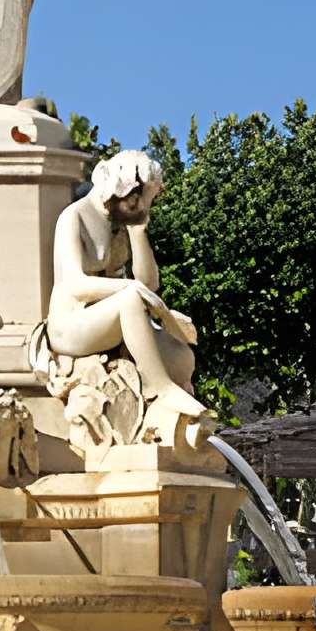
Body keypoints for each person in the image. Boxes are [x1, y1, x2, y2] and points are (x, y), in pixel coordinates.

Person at [42, 150, 210, 450]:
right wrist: (134, 292)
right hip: (71, 326)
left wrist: (138, 231)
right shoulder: (74, 216)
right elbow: (75, 284)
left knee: (183, 359)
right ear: (126, 191)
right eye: (146, 198)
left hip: (113, 322)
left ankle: (167, 402)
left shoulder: (121, 223)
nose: (147, 206)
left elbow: (149, 283)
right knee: (130, 298)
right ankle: (161, 390)